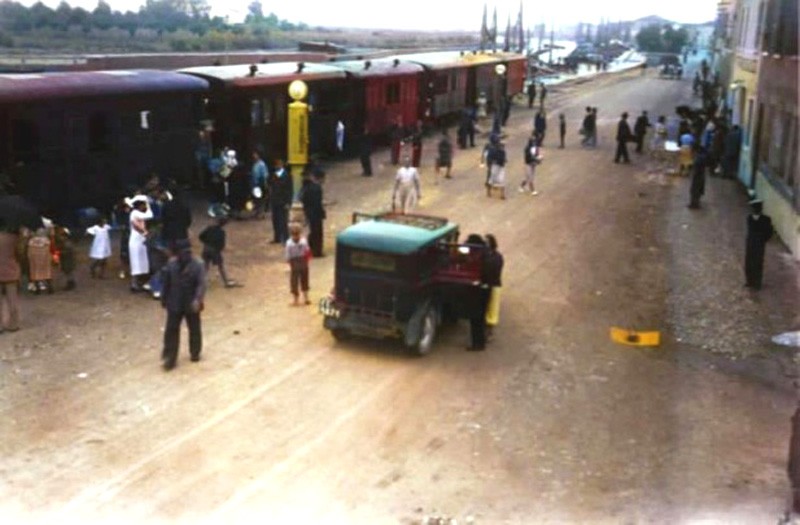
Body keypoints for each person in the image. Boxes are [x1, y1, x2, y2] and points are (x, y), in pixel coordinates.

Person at [160, 239, 206, 370]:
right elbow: (166, 284)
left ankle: (195, 352)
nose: (186, 254)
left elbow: (201, 284)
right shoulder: (171, 265)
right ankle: (170, 357)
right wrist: (164, 299)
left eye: (188, 252)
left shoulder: (198, 265)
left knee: (194, 328)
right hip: (175, 302)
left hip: (191, 302)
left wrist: (198, 299)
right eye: (183, 252)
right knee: (171, 330)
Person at [465, 233, 488, 351]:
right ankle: (481, 342)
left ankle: (477, 344)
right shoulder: (486, 252)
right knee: (479, 318)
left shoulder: (480, 255)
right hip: (484, 290)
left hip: (479, 291)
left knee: (476, 319)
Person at [744, 199, 774, 290]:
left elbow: (769, 232)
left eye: (755, 209)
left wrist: (763, 240)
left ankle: (757, 283)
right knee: (748, 262)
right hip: (751, 242)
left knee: (757, 262)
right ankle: (750, 281)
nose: (754, 211)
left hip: (759, 243)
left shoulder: (766, 219)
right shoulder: (749, 218)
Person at [199, 216, 235, 288]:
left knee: (205, 266)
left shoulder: (209, 228)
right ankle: (226, 282)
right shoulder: (221, 232)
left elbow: (200, 236)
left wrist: (206, 243)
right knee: (220, 266)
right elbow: (222, 245)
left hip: (206, 248)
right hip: (214, 250)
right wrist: (218, 250)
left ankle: (200, 283)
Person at [128, 195, 153, 292]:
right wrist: (148, 205)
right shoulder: (135, 213)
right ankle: (134, 284)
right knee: (136, 263)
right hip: (135, 241)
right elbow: (150, 215)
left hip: (140, 240)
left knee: (141, 262)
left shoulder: (136, 213)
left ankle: (138, 283)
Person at [301, 168, 326, 257]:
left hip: (309, 212)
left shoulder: (306, 187)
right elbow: (317, 203)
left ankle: (311, 248)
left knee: (313, 231)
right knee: (317, 233)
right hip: (316, 214)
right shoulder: (316, 188)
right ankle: (317, 252)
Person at [0, 226, 21, 333]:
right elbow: (19, 254)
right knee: (12, 299)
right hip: (11, 270)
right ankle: (14, 324)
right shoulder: (14, 238)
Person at [483, 234, 504, 339]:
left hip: (494, 284)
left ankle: (489, 332)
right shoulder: (487, 255)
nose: (485, 244)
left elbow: (496, 271)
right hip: (489, 284)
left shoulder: (497, 256)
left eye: (487, 242)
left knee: (492, 308)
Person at [267, 158, 292, 245]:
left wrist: (288, 202)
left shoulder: (287, 176)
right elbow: (270, 186)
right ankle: (277, 237)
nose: (278, 166)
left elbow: (289, 190)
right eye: (276, 164)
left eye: (279, 164)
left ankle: (285, 238)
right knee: (275, 220)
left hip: (283, 201)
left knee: (283, 221)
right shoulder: (273, 175)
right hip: (275, 201)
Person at [285, 224, 311, 306]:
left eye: (297, 234)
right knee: (294, 281)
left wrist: (307, 260)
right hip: (294, 261)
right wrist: (289, 262)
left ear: (300, 233)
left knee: (305, 279)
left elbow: (308, 251)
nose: (296, 236)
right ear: (291, 234)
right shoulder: (289, 243)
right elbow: (288, 254)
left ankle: (306, 298)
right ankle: (295, 299)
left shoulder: (304, 241)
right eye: (294, 234)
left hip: (303, 260)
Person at [688, 145, 707, 209]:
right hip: (701, 176)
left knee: (695, 190)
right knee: (697, 190)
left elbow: (696, 168)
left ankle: (694, 204)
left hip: (697, 176)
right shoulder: (702, 157)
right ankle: (695, 203)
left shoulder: (698, 158)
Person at [250, 151, 268, 219]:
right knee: (256, 199)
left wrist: (265, 184)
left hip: (260, 183)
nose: (254, 156)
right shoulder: (255, 164)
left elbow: (265, 175)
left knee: (261, 199)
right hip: (255, 184)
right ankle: (258, 212)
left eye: (255, 155)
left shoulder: (261, 164)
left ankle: (261, 213)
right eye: (253, 155)